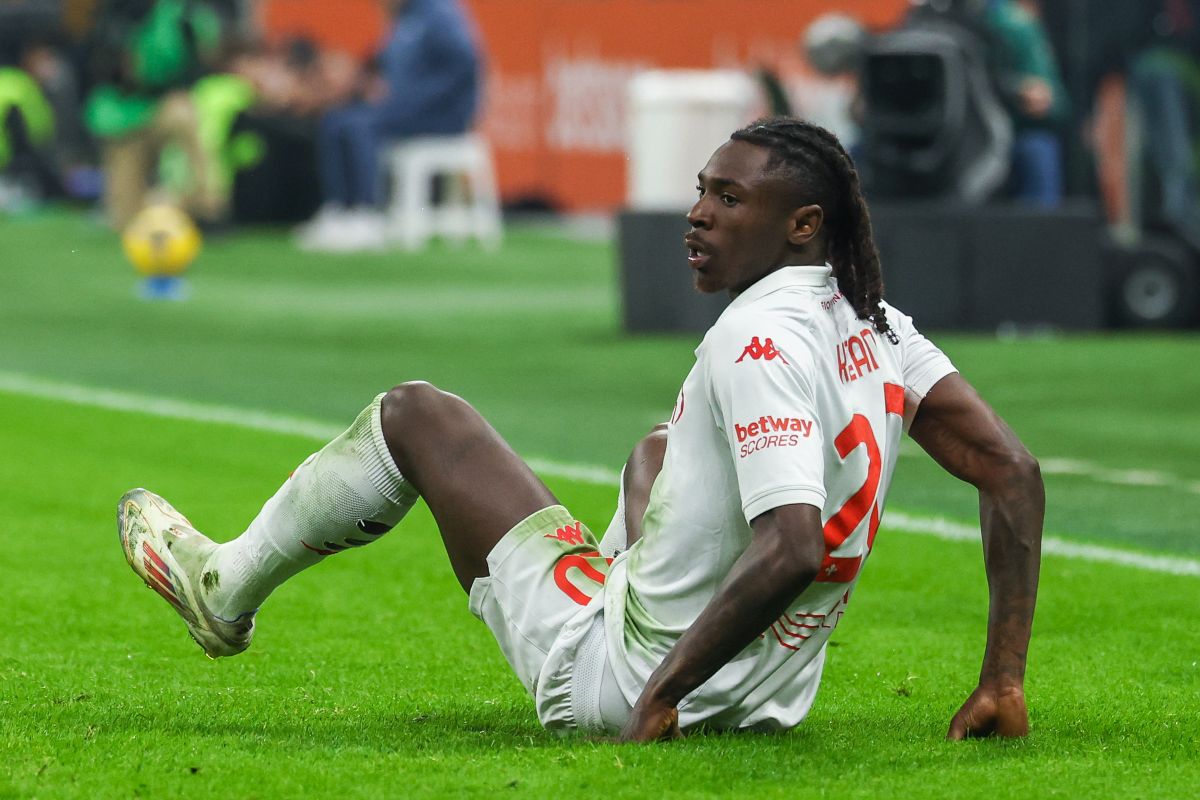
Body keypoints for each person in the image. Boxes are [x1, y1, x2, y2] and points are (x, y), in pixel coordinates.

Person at [117, 117, 1044, 741]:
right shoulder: (878, 324)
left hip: (621, 681)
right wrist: (1003, 678)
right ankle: (628, 601)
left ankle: (224, 587)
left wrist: (661, 694)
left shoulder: (753, 336)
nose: (697, 214)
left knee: (418, 416)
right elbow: (1012, 470)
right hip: (759, 703)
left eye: (729, 200)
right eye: (701, 191)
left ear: (803, 225)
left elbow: (793, 544)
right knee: (656, 453)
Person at [296, 0, 482, 252]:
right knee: (335, 121)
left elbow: (464, 64)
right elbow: (387, 63)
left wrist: (416, 100)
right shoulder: (403, 17)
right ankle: (341, 210)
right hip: (401, 109)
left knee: (361, 128)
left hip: (440, 116)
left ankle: (367, 214)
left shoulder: (440, 13)